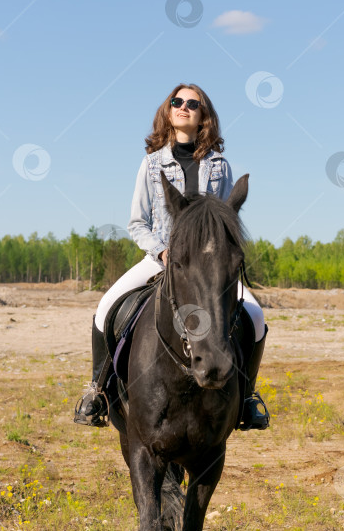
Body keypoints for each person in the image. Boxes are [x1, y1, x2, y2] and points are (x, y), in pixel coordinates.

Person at [74, 83, 270, 431]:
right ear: (168, 112)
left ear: (203, 115)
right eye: (176, 102)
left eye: (192, 104)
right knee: (106, 306)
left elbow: (225, 219)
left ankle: (248, 398)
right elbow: (137, 223)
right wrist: (162, 250)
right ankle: (98, 391)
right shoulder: (151, 164)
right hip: (160, 257)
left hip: (207, 267)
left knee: (254, 315)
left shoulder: (220, 167)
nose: (183, 107)